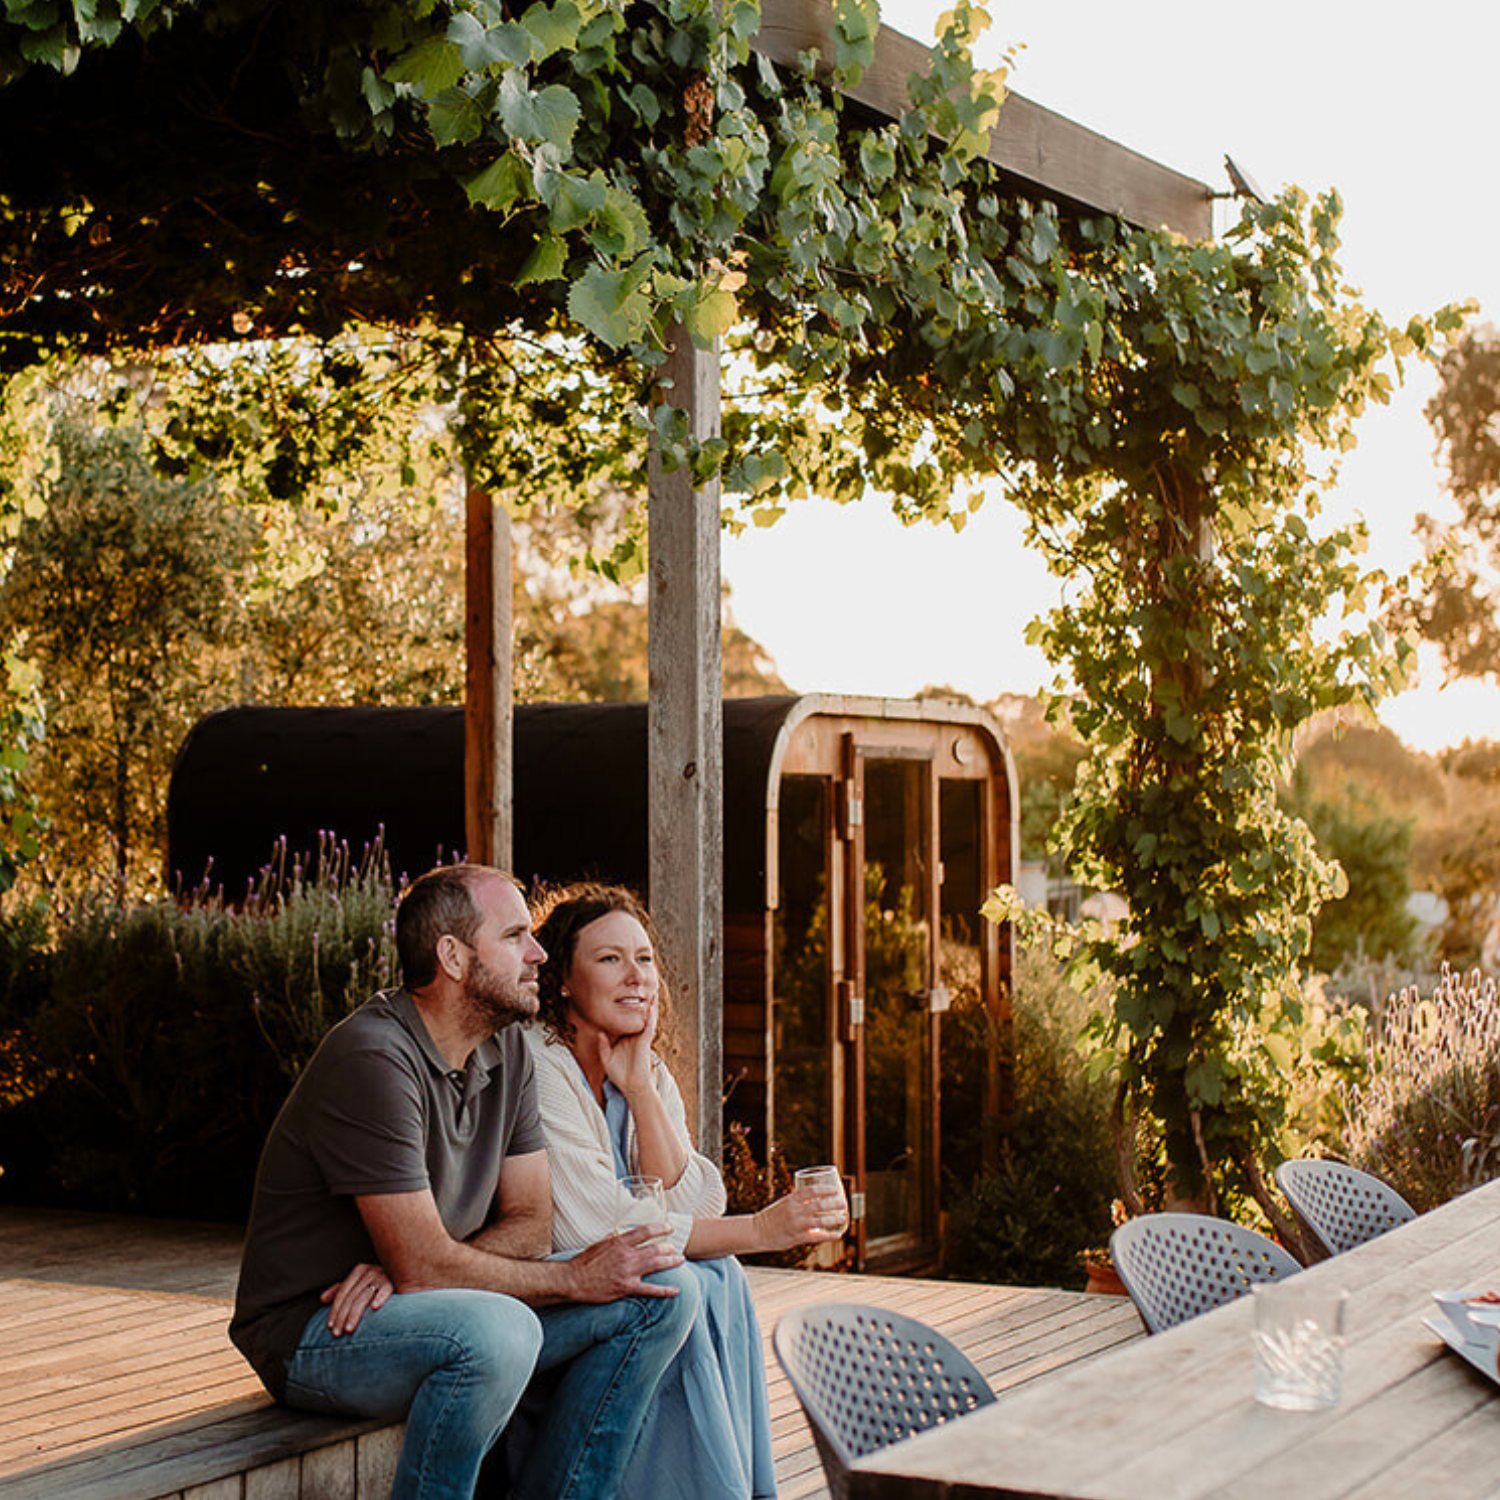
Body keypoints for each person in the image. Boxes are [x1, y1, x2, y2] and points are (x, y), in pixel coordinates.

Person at [229, 864, 699, 1500]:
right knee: (497, 1334)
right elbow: (433, 1265)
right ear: (452, 956)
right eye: (514, 936)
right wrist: (561, 1278)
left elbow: (531, 1224)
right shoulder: (373, 1057)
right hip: (317, 1333)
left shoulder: (506, 1051)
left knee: (665, 1287)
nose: (537, 953)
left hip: (418, 1299)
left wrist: (423, 1266)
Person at [519, 882, 849, 1500]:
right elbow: (594, 1228)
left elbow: (700, 1202)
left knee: (717, 1271)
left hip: (621, 1286)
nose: (637, 977)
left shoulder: (641, 1068)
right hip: (548, 1296)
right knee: (686, 1277)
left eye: (644, 959)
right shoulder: (540, 1065)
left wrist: (639, 1090)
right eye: (609, 959)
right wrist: (761, 1231)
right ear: (562, 979)